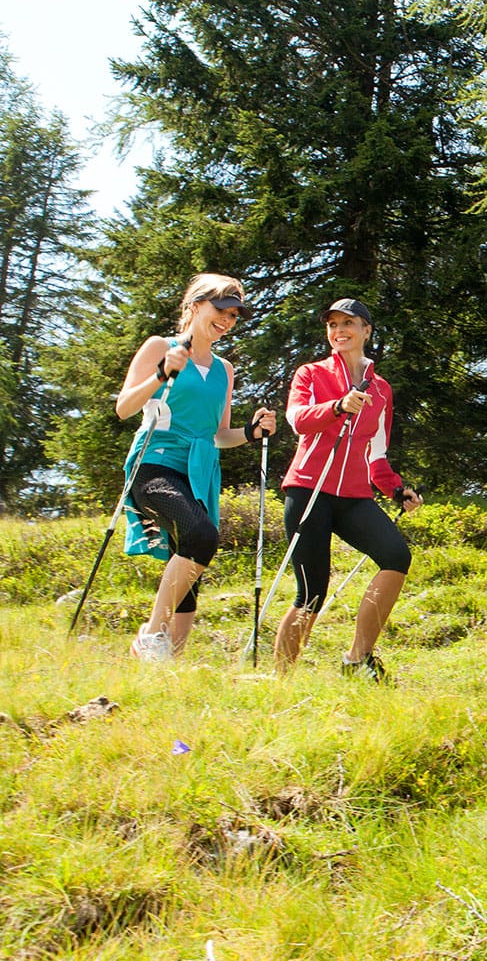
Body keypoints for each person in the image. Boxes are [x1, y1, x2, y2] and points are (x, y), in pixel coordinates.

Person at [116, 273, 277, 661]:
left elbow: (219, 435)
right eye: (221, 310)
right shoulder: (161, 346)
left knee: (190, 552)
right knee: (202, 536)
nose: (227, 320)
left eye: (235, 315)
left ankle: (170, 660)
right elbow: (124, 408)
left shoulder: (224, 369)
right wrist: (161, 374)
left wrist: (252, 433)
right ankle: (151, 637)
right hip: (154, 463)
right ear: (195, 306)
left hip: (199, 471)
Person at [274, 297, 422, 681]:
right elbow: (298, 420)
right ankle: (280, 682)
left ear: (366, 331)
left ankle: (358, 659)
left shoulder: (381, 389)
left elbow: (377, 454)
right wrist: (337, 406)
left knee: (395, 556)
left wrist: (396, 489)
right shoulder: (310, 374)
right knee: (312, 593)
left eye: (348, 324)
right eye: (332, 325)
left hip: (355, 496)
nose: (339, 331)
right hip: (308, 490)